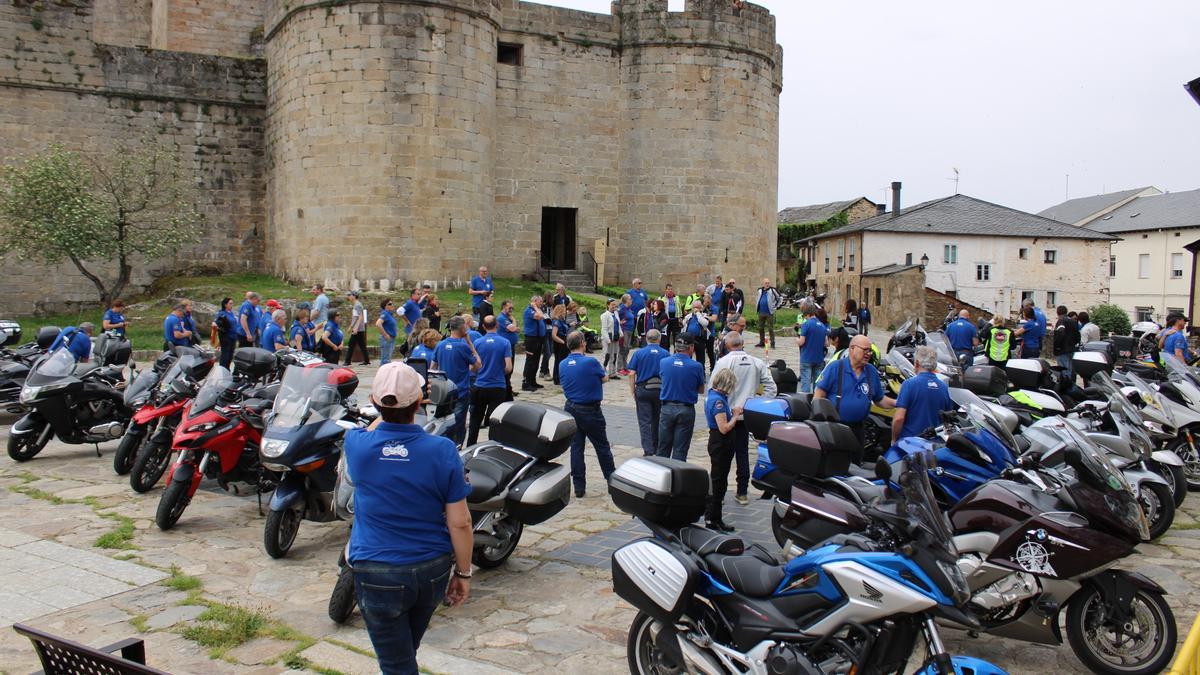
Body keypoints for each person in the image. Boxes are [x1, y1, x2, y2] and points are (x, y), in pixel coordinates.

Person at [345, 361, 473, 674]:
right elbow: (460, 522)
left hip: (376, 570)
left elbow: (372, 428)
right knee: (405, 653)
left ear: (374, 402)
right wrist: (464, 573)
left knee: (397, 662)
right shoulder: (442, 450)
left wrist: (383, 410)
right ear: (420, 402)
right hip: (430, 568)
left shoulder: (357, 445)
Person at [709, 332, 777, 505]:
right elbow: (771, 387)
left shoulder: (723, 362)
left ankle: (718, 495)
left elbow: (713, 387)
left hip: (727, 414)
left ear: (726, 344)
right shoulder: (757, 362)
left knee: (721, 458)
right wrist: (755, 404)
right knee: (742, 453)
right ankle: (742, 492)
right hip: (746, 415)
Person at [558, 331, 616, 498]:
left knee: (576, 448)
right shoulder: (590, 361)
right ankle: (612, 481)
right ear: (583, 343)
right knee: (602, 447)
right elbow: (605, 378)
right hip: (590, 409)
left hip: (570, 408)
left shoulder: (562, 364)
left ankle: (579, 486)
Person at [813, 335, 896, 445]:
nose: (869, 353)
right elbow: (818, 397)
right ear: (852, 348)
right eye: (865, 350)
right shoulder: (835, 367)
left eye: (870, 351)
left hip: (859, 429)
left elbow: (880, 400)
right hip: (835, 428)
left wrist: (899, 403)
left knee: (856, 461)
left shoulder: (871, 371)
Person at [432, 317, 482, 447]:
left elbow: (432, 368)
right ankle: (457, 448)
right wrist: (470, 343)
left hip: (442, 391)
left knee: (443, 423)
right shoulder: (463, 346)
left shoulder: (440, 344)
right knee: (458, 424)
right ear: (462, 328)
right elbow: (478, 365)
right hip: (460, 392)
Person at [656, 334, 707, 460]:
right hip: (686, 409)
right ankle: (677, 477)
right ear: (690, 347)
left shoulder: (664, 362)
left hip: (667, 407)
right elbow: (701, 389)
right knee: (680, 448)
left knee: (663, 447)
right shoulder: (696, 366)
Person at [465, 315, 513, 446]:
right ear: (497, 325)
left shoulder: (478, 343)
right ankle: (493, 447)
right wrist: (498, 372)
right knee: (495, 422)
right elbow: (508, 367)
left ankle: (470, 447)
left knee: (475, 421)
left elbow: (472, 367)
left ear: (483, 326)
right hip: (498, 387)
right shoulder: (505, 342)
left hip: (480, 385)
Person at [704, 368, 741, 533]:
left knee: (720, 480)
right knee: (718, 481)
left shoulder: (714, 396)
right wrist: (735, 415)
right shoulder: (718, 402)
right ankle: (711, 517)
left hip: (720, 443)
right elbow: (724, 428)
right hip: (721, 443)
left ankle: (716, 517)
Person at [892, 345, 955, 444]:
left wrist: (894, 439)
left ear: (916, 363)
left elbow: (899, 418)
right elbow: (947, 420)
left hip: (910, 444)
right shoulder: (943, 388)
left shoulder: (909, 384)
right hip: (935, 445)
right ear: (934, 365)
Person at [627, 329, 668, 456]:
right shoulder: (666, 354)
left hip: (643, 389)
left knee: (645, 421)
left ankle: (648, 450)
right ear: (659, 339)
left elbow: (631, 373)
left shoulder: (639, 353)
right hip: (660, 390)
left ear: (646, 339)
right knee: (658, 420)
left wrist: (632, 389)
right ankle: (657, 447)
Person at [796, 303, 828, 393]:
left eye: (804, 316)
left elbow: (801, 342)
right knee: (817, 384)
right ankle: (816, 402)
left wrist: (796, 339)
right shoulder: (822, 325)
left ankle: (805, 403)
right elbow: (826, 344)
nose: (805, 318)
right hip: (819, 359)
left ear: (807, 314)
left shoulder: (806, 324)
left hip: (806, 358)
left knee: (805, 383)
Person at [521, 295, 546, 391]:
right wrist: (535, 307)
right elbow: (540, 316)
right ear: (534, 301)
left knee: (536, 361)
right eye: (540, 301)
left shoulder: (536, 309)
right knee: (530, 361)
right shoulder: (529, 310)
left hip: (538, 338)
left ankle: (532, 381)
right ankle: (526, 383)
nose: (542, 303)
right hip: (531, 339)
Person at [1053, 305, 1081, 381]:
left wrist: (1057, 346)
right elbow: (1078, 335)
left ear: (1057, 312)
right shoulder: (1073, 321)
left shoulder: (1061, 321)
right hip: (1072, 348)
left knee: (1064, 370)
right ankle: (1071, 385)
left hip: (1062, 349)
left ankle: (1065, 386)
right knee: (1070, 369)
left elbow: (1060, 333)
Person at [343, 291, 369, 366]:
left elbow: (360, 317)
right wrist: (351, 326)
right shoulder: (356, 305)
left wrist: (355, 328)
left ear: (354, 296)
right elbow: (355, 318)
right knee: (362, 345)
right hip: (358, 328)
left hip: (358, 329)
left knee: (351, 345)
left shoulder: (357, 305)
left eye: (350, 295)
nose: (348, 297)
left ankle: (347, 361)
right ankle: (366, 360)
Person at [754, 278, 781, 349]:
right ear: (763, 284)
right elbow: (757, 298)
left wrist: (776, 307)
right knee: (760, 328)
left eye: (768, 283)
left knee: (770, 328)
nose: (767, 284)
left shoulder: (772, 290)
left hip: (769, 312)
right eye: (766, 283)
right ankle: (761, 342)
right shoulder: (760, 290)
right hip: (761, 312)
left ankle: (772, 343)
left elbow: (779, 298)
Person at [600, 298, 623, 379]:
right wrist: (607, 339)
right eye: (612, 304)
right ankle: (603, 373)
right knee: (607, 355)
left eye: (615, 304)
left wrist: (621, 334)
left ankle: (612, 373)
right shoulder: (604, 315)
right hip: (608, 338)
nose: (614, 306)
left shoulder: (616, 314)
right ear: (608, 305)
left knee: (614, 355)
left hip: (615, 337)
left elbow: (618, 325)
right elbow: (604, 329)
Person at [547, 304, 570, 385]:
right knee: (559, 361)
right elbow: (554, 335)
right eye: (563, 311)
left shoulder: (561, 320)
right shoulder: (557, 322)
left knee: (560, 361)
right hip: (560, 343)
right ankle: (557, 378)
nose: (565, 312)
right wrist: (563, 342)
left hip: (562, 341)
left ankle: (559, 377)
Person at [213, 298, 237, 368]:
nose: (231, 305)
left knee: (230, 355)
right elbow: (216, 323)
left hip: (233, 336)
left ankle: (227, 368)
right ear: (225, 304)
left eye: (232, 303)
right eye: (230, 303)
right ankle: (222, 369)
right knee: (225, 355)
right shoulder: (222, 314)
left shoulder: (231, 313)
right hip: (226, 337)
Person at [660, 284, 683, 350]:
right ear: (665, 290)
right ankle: (667, 351)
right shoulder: (662, 298)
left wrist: (680, 317)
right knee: (666, 336)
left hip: (675, 319)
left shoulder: (676, 298)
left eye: (671, 289)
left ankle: (676, 351)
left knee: (676, 336)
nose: (670, 290)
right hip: (667, 320)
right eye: (668, 289)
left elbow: (679, 308)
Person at [617, 294, 636, 374]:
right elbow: (615, 316)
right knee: (622, 349)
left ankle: (625, 367)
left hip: (630, 331)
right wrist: (619, 322)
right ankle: (620, 368)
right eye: (630, 299)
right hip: (624, 331)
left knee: (627, 349)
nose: (631, 300)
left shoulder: (628, 309)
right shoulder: (621, 308)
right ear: (626, 300)